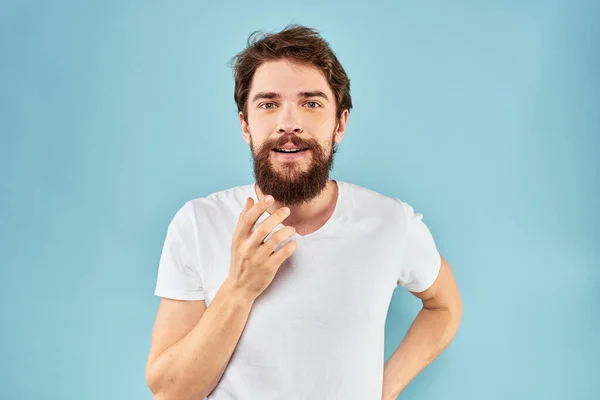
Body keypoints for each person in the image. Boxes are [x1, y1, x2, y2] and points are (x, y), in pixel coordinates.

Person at [145, 24, 462, 400]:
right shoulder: (198, 223)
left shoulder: (390, 222)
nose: (288, 123)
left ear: (339, 123)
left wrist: (384, 389)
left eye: (311, 103)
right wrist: (241, 288)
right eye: (268, 104)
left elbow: (444, 307)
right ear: (245, 125)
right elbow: (170, 392)